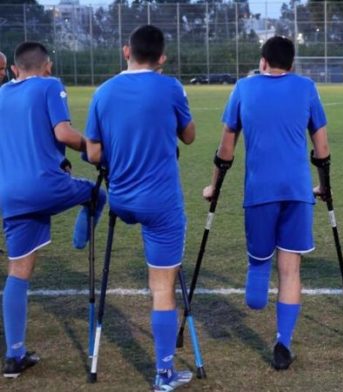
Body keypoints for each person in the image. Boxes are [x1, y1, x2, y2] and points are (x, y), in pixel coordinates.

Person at [206, 35, 329, 370]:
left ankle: (257, 292)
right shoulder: (306, 87)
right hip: (298, 192)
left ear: (262, 61)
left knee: (260, 264)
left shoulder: (244, 89)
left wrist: (213, 186)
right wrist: (321, 185)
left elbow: (226, 148)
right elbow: (322, 147)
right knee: (290, 270)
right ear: (292, 64)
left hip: (260, 191)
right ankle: (283, 343)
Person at [84, 25, 196, 391]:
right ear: (162, 58)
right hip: (160, 203)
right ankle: (163, 373)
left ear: (125, 51)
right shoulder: (170, 87)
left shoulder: (103, 92)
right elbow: (189, 135)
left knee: (160, 280)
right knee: (162, 287)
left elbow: (94, 153)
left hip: (121, 200)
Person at [0, 41, 106, 378]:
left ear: (15, 69)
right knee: (97, 194)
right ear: (48, 65)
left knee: (18, 270)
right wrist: (94, 148)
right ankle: (80, 237)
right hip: (45, 185)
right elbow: (63, 132)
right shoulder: (50, 85)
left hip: (10, 194)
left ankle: (14, 355)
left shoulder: (2, 93)